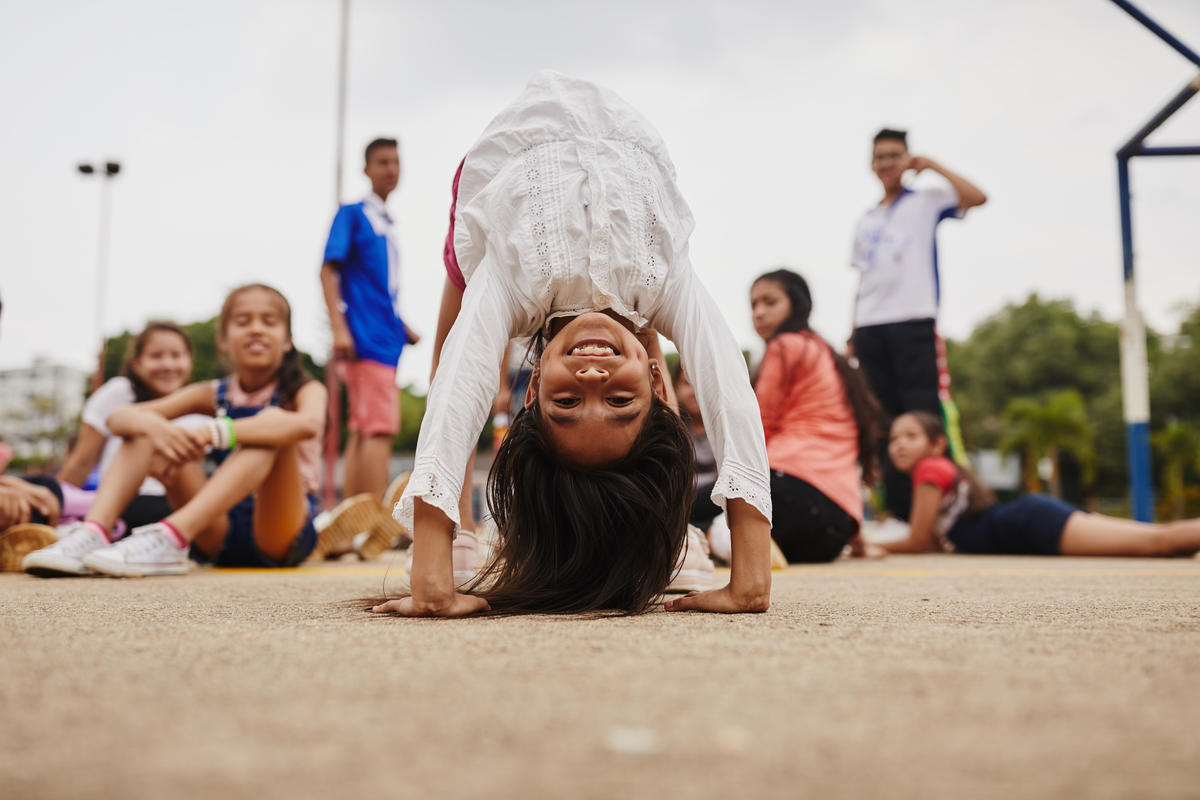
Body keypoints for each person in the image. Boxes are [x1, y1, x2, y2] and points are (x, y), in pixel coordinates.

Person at [372, 71, 773, 618]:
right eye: (618, 403)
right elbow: (727, 387)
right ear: (660, 380)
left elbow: (458, 389)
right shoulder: (661, 283)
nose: (591, 382)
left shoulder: (510, 282)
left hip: (497, 174)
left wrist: (433, 569)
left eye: (566, 404)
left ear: (533, 385)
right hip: (625, 141)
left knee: (463, 342)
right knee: (629, 325)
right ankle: (671, 529)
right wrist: (751, 575)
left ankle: (458, 531)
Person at [22, 284, 328, 577]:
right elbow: (119, 418)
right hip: (216, 527)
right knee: (143, 429)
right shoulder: (212, 392)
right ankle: (94, 531)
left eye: (269, 321)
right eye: (243, 321)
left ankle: (171, 536)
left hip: (281, 528)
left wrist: (216, 432)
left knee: (273, 427)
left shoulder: (305, 389)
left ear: (288, 340)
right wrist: (156, 428)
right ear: (223, 338)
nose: (256, 329)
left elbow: (307, 424)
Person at [849, 128, 986, 521]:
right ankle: (898, 512)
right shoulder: (867, 218)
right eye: (880, 156)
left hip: (913, 320)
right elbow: (863, 277)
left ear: (908, 159)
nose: (887, 163)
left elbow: (978, 197)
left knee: (922, 416)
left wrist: (934, 165)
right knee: (881, 421)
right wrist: (852, 332)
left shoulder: (926, 200)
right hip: (870, 325)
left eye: (895, 155)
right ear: (871, 164)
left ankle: (944, 507)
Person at [6, 323, 201, 571]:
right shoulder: (119, 393)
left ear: (189, 361)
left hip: (162, 509)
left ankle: (81, 534)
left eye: (176, 355)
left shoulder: (199, 413)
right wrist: (57, 502)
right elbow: (81, 462)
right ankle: (68, 533)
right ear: (136, 363)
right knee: (41, 492)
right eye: (156, 355)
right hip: (109, 502)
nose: (167, 364)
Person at [880, 411, 1200, 557]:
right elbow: (930, 542)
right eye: (894, 438)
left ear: (937, 444)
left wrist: (870, 547)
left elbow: (916, 542)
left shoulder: (930, 471)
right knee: (1160, 544)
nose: (899, 445)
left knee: (1158, 542)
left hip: (1032, 525)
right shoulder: (938, 471)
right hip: (1031, 521)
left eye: (911, 436)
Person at [751, 269, 884, 562]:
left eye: (769, 302)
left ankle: (716, 539)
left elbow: (759, 426)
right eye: (754, 305)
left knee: (687, 505)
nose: (759, 312)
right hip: (833, 532)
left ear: (796, 305)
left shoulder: (785, 346)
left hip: (789, 493)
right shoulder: (824, 351)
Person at [320, 137, 414, 503]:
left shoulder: (385, 223)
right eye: (382, 162)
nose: (390, 170)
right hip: (365, 336)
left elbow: (376, 286)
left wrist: (403, 325)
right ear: (366, 169)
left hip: (385, 334)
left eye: (395, 162)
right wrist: (339, 327)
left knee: (363, 427)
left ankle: (355, 517)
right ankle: (377, 517)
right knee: (378, 426)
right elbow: (328, 271)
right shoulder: (354, 214)